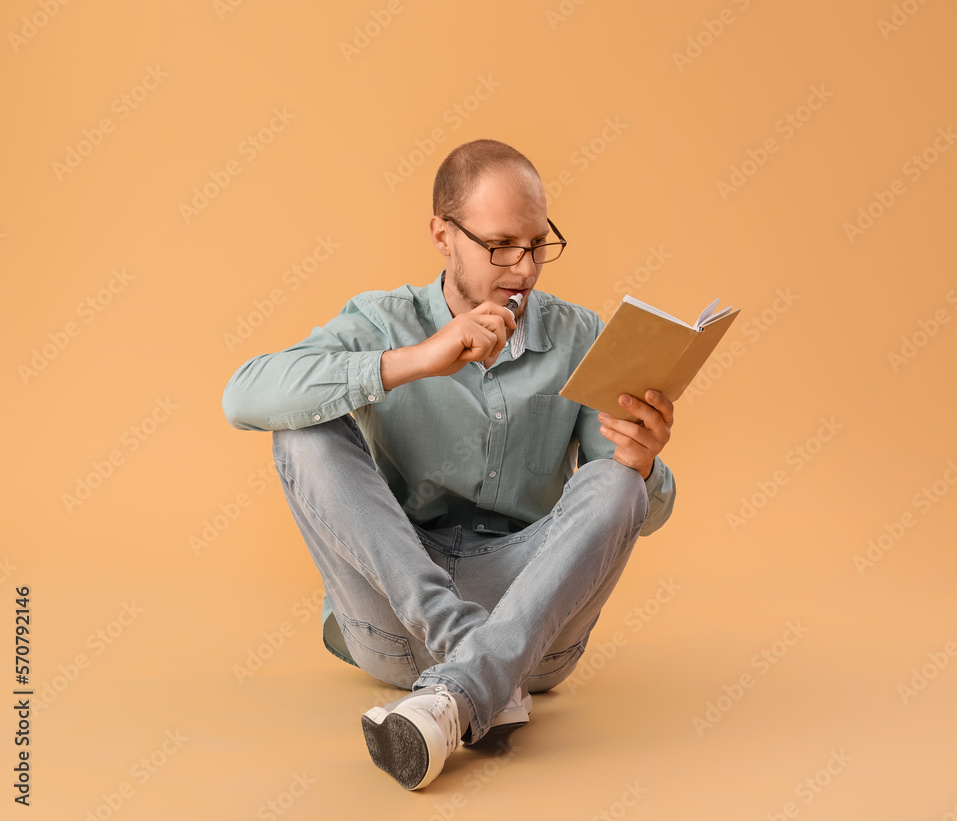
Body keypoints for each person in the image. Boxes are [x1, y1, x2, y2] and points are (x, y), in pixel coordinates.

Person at [222, 138, 677, 790]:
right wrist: (417, 360)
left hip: (531, 625)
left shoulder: (581, 337)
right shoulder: (383, 321)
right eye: (499, 245)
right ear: (442, 234)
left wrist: (644, 463)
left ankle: (462, 687)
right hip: (397, 617)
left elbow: (635, 514)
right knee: (299, 431)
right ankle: (476, 668)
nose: (522, 267)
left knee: (617, 481)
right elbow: (243, 395)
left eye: (536, 243)